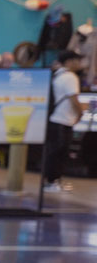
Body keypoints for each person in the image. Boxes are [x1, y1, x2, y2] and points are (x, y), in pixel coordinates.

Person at [44, 50, 84, 192]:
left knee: (54, 151)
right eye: (76, 60)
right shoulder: (70, 77)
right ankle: (52, 181)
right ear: (68, 62)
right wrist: (80, 114)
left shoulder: (58, 74)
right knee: (59, 152)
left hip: (55, 117)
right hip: (63, 119)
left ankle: (53, 181)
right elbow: (74, 98)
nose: (79, 64)